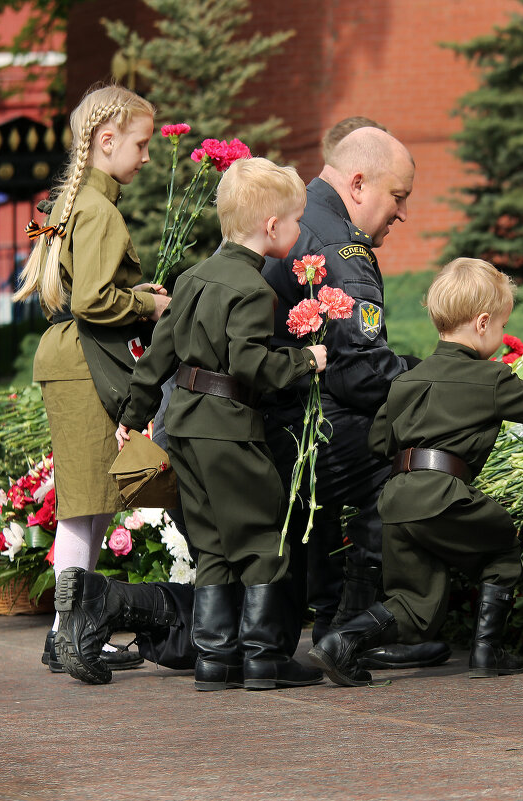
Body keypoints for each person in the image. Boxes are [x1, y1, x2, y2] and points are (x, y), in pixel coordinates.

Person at [55, 158, 329, 692]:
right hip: (227, 428)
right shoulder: (252, 290)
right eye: (295, 221)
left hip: (181, 425)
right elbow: (252, 366)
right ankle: (265, 658)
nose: (298, 232)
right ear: (272, 227)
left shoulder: (193, 277)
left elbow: (157, 355)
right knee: (262, 539)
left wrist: (133, 420)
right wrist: (308, 360)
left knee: (210, 544)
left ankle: (215, 658)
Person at [308, 258, 523, 686]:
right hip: (443, 494)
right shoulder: (489, 378)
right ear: (482, 323)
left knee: (413, 605)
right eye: (501, 325)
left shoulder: (409, 379)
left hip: (397, 499)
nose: (501, 334)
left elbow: (379, 442)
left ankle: (340, 642)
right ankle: (487, 652)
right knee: (500, 545)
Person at [261, 125, 449, 670]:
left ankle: (329, 617)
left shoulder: (302, 217)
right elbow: (360, 371)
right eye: (399, 196)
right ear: (359, 183)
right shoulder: (338, 244)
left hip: (267, 416)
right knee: (404, 469)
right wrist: (431, 380)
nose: (403, 213)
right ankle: (354, 629)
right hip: (296, 424)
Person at [12, 83, 170, 675]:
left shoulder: (69, 203)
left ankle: (68, 631)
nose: (148, 156)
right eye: (141, 143)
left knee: (93, 505)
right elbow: (97, 301)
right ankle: (69, 635)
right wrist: (148, 304)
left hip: (71, 362)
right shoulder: (98, 210)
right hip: (86, 365)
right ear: (107, 141)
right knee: (84, 508)